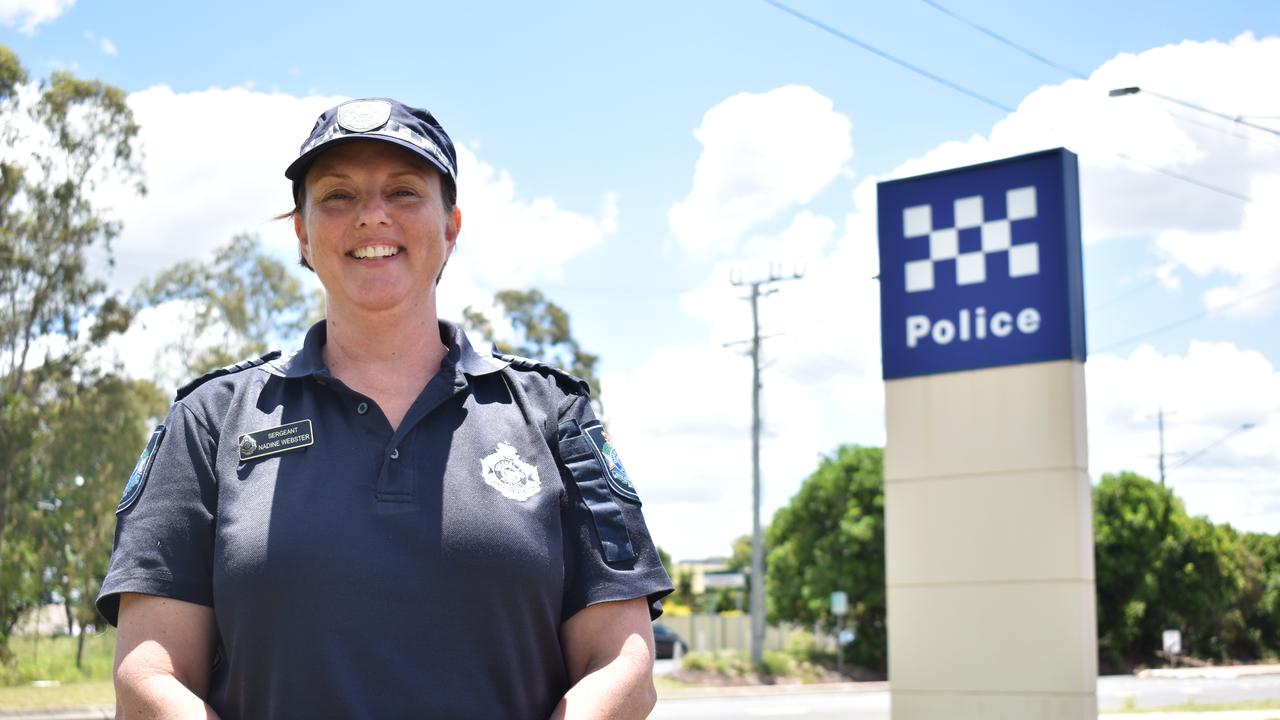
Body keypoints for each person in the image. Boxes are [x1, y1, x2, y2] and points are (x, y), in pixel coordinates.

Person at [98, 98, 673, 719]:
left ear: (451, 226)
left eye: (402, 192)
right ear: (302, 232)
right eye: (338, 196)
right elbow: (149, 674)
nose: (372, 216)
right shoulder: (212, 420)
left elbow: (623, 666)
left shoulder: (551, 414)